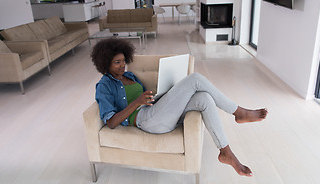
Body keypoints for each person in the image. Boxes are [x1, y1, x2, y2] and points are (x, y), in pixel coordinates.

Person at [91, 38, 268, 177]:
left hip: (157, 112)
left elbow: (146, 99)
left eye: (123, 61)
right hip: (146, 121)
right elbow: (112, 122)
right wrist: (137, 102)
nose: (122, 65)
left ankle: (225, 152)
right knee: (195, 78)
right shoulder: (104, 86)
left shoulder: (130, 75)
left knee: (204, 98)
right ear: (105, 63)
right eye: (117, 62)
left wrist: (158, 95)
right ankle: (240, 113)